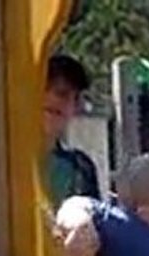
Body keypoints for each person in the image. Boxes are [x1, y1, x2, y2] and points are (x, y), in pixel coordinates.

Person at [44, 54, 101, 206]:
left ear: (75, 106)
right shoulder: (2, 159)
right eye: (45, 88)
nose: (54, 98)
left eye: (64, 94)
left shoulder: (80, 169)